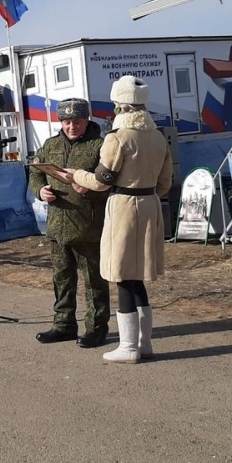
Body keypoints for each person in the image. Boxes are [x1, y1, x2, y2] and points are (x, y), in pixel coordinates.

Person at [68, 76, 173, 364]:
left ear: (120, 105)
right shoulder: (157, 137)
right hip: (150, 203)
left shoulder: (117, 137)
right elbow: (165, 184)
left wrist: (75, 175)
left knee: (123, 275)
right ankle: (145, 342)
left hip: (125, 206)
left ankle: (128, 347)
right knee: (138, 277)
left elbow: (102, 180)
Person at [28, 98, 110, 347]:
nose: (71, 126)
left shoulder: (100, 146)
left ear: (87, 120)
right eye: (66, 121)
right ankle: (63, 325)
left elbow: (111, 180)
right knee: (62, 279)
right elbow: (35, 172)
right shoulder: (50, 145)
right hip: (57, 225)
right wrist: (40, 190)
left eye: (76, 121)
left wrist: (91, 190)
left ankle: (96, 328)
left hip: (88, 226)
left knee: (94, 281)